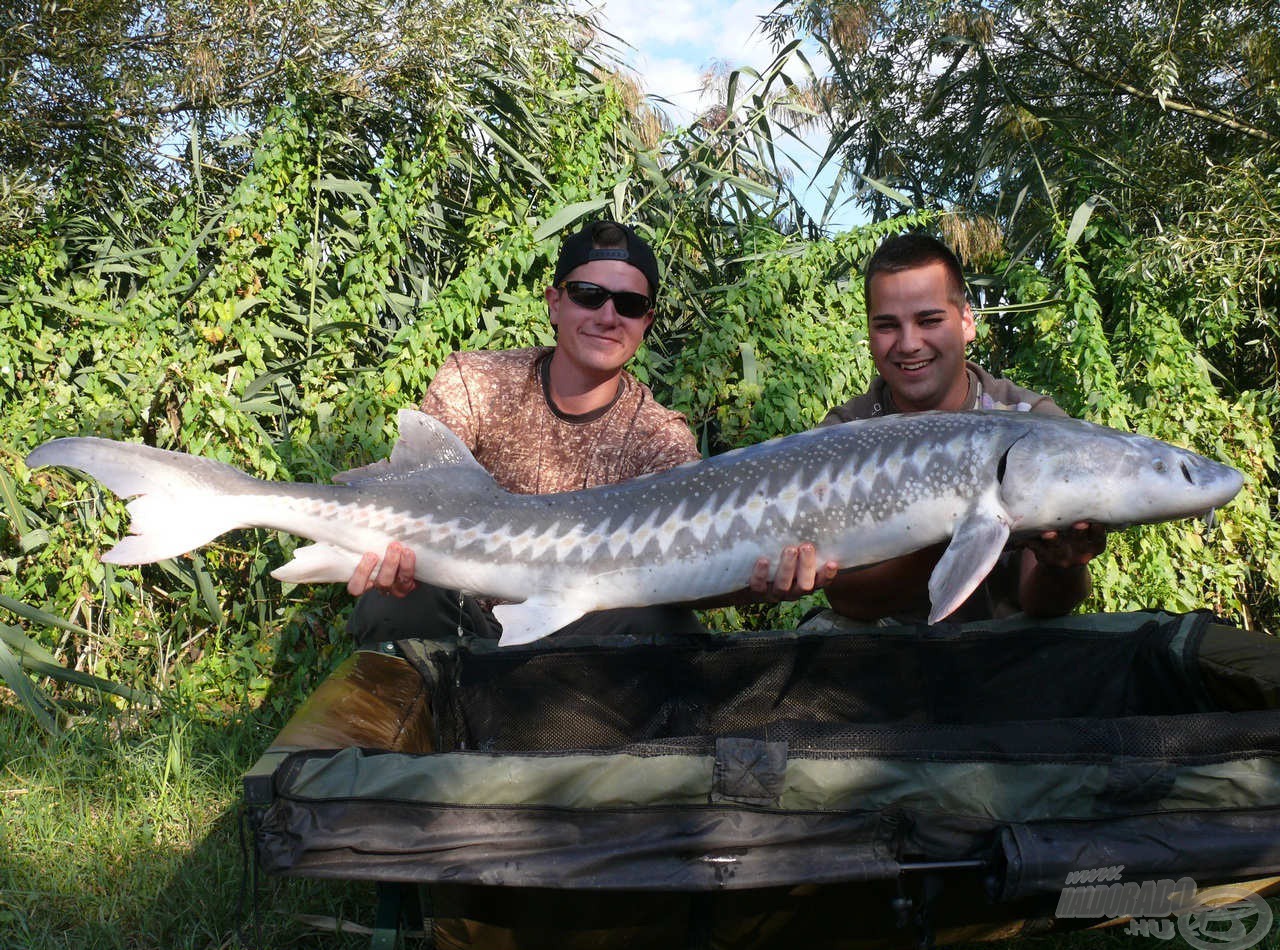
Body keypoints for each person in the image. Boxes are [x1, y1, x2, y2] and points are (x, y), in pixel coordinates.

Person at [347, 220, 831, 646]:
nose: (607, 315)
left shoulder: (661, 440)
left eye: (629, 303)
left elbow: (686, 571)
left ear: (646, 322)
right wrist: (393, 560)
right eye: (587, 295)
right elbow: (418, 501)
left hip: (581, 638)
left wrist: (758, 578)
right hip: (464, 614)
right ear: (555, 303)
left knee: (662, 623)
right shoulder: (475, 382)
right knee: (390, 600)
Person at [818, 232, 1106, 624]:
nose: (908, 343)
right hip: (882, 655)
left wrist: (1063, 564)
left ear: (967, 322)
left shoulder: (1032, 423)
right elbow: (851, 601)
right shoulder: (844, 435)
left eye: (929, 320)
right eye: (887, 325)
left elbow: (1041, 603)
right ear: (869, 332)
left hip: (1004, 652)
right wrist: (971, 529)